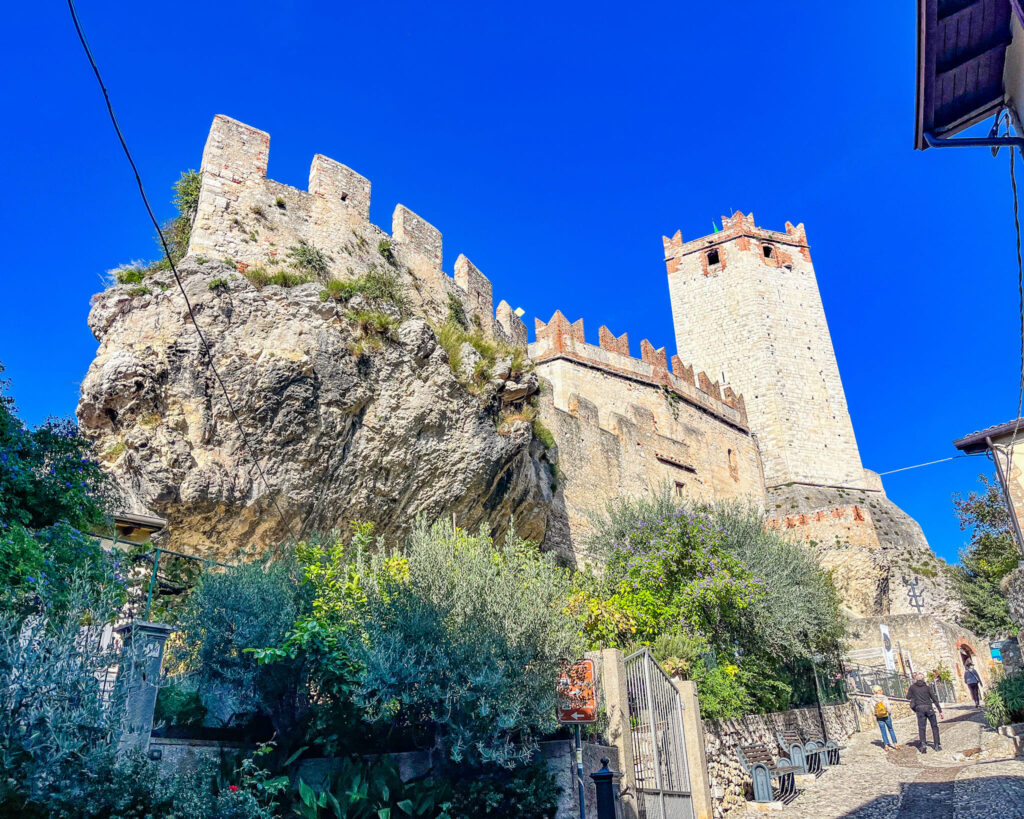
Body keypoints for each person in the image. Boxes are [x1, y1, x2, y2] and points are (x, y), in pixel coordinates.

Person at [906, 672, 943, 752]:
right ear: (923, 679)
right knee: (934, 726)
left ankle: (923, 745)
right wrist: (940, 710)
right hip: (929, 708)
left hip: (919, 708)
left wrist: (912, 695)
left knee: (922, 727)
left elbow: (908, 697)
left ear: (916, 679)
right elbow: (934, 699)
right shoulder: (927, 687)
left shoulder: (912, 687)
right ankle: (936, 745)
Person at [871, 685, 899, 749]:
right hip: (886, 715)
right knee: (891, 729)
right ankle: (895, 744)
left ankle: (886, 745)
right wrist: (889, 713)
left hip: (879, 716)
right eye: (881, 690)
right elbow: (888, 707)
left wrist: (875, 714)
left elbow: (872, 708)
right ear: (879, 691)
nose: (882, 691)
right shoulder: (884, 697)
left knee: (883, 730)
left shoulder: (872, 699)